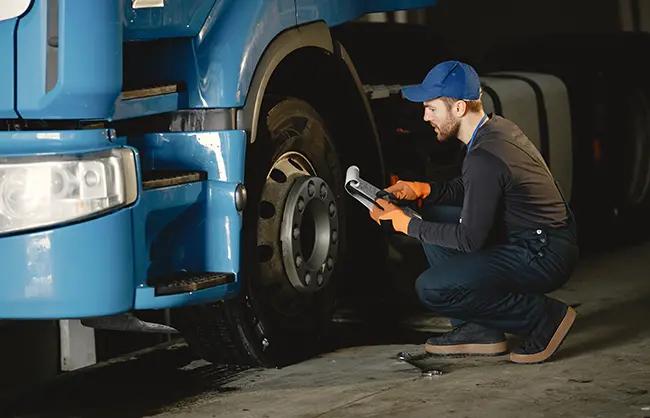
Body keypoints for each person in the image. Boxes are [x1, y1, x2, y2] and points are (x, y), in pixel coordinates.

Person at [369, 60, 579, 364]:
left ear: (459, 109)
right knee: (434, 211)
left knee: (431, 288)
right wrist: (423, 189)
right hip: (544, 239)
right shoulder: (494, 130)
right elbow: (475, 187)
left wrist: (406, 225)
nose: (425, 116)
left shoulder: (484, 156)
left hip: (542, 253)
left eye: (431, 108)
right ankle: (479, 330)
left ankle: (544, 319)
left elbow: (470, 239)